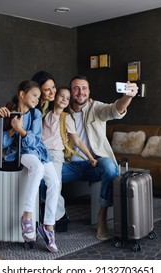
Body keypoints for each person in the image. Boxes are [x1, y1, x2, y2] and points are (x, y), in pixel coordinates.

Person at [62, 75, 138, 241]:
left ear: (89, 92)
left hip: (94, 163)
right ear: (70, 91)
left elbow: (114, 110)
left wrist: (127, 97)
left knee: (111, 167)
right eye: (76, 88)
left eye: (84, 88)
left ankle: (102, 218)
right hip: (68, 165)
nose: (80, 92)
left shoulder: (96, 108)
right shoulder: (62, 110)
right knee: (43, 175)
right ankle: (57, 215)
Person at [0, 80, 60, 253]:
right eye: (34, 95)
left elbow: (35, 140)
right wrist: (13, 129)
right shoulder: (6, 112)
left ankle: (48, 227)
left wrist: (22, 130)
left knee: (54, 182)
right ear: (22, 94)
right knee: (37, 168)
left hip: (39, 151)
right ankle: (27, 216)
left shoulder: (36, 114)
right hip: (21, 152)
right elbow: (2, 143)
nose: (38, 99)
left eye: (39, 97)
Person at [42, 87, 98, 213]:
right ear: (55, 97)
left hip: (56, 155)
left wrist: (90, 158)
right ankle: (49, 214)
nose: (64, 99)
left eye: (67, 98)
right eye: (61, 96)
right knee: (42, 184)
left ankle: (59, 217)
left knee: (54, 185)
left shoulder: (66, 118)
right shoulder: (46, 114)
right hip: (41, 154)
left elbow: (77, 140)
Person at [31, 71, 70, 232]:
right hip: (34, 151)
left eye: (53, 87)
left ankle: (58, 217)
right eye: (48, 90)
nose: (53, 92)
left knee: (53, 184)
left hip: (51, 153)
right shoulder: (35, 107)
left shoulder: (51, 105)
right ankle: (38, 217)